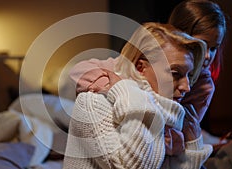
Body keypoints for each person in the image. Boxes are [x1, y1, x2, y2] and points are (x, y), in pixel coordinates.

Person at [68, 0, 227, 155]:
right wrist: (118, 88)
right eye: (202, 44)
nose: (207, 55)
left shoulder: (203, 88)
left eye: (214, 48)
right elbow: (78, 71)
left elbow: (181, 135)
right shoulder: (138, 64)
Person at [63, 22, 212, 169]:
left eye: (189, 75)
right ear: (141, 68)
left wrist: (193, 145)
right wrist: (128, 91)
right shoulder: (92, 104)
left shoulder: (168, 118)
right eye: (175, 73)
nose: (186, 87)